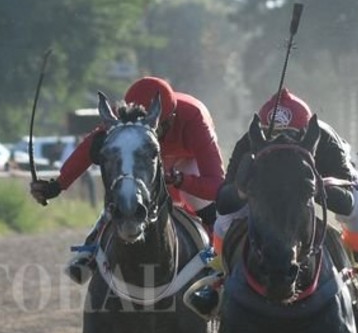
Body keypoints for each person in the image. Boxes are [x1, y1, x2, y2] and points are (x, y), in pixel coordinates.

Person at [30, 76, 226, 316]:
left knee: (209, 209)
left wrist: (180, 179)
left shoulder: (194, 118)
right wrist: (57, 185)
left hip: (186, 162)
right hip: (145, 159)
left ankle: (219, 273)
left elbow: (218, 185)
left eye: (159, 127)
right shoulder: (125, 117)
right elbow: (89, 148)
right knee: (126, 195)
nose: (155, 133)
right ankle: (91, 250)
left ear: (171, 119)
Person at [216, 88, 358, 322]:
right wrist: (242, 189)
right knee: (223, 220)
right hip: (270, 190)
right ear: (262, 135)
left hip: (323, 178)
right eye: (274, 136)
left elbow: (347, 201)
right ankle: (216, 279)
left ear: (306, 134)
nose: (281, 143)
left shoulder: (327, 141)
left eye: (289, 135)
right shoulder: (248, 143)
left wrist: (313, 187)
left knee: (357, 214)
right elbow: (222, 200)